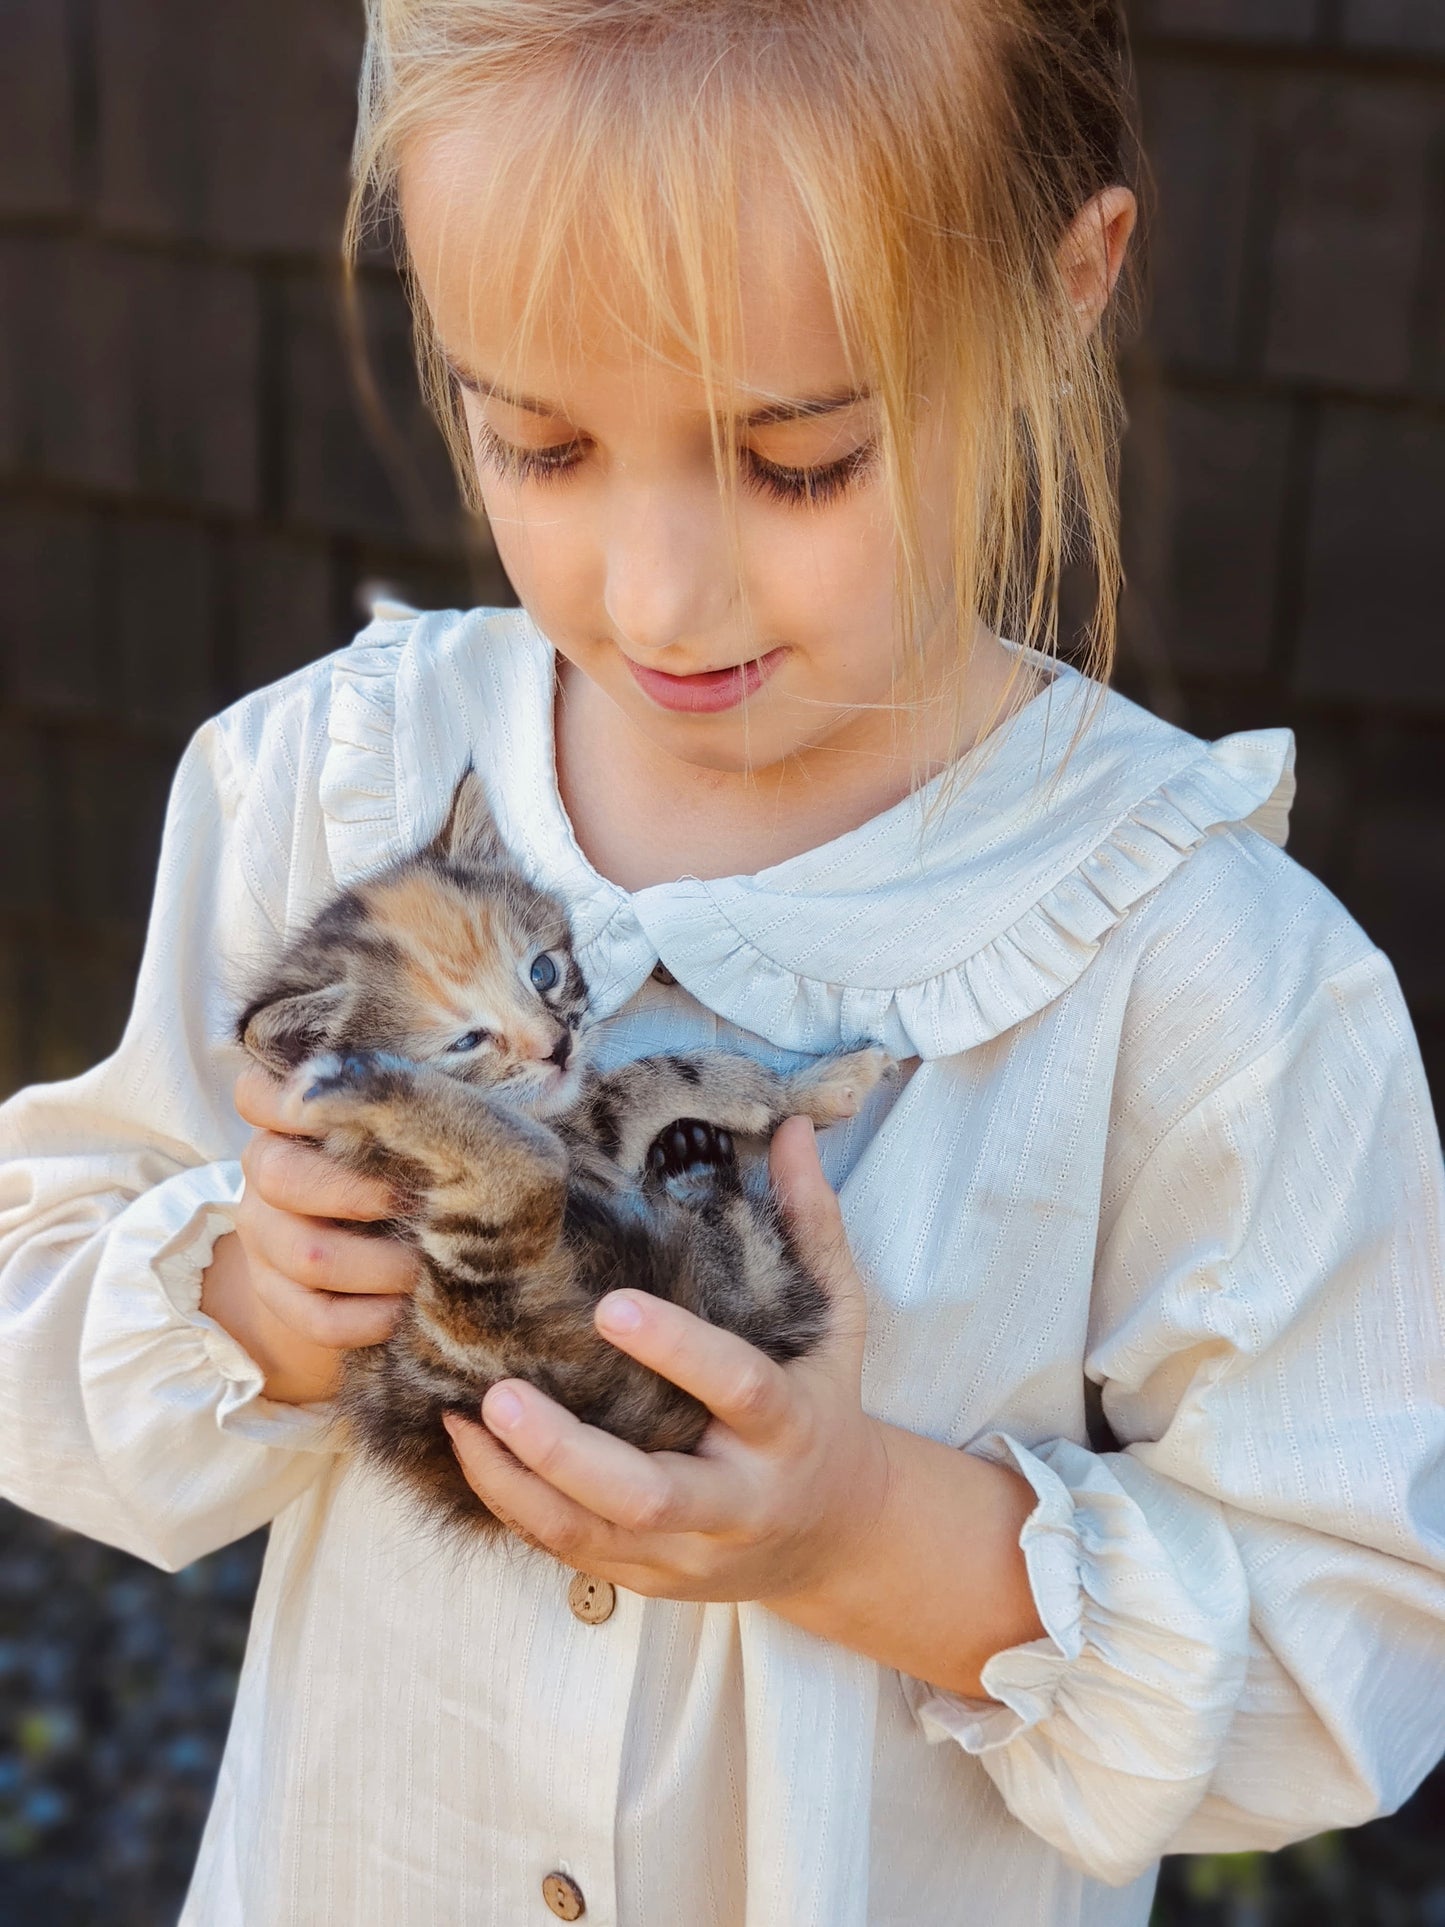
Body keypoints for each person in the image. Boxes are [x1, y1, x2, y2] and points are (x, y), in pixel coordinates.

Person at [3, 2, 1444, 1921]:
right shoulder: (323, 788)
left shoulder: (1203, 981)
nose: (659, 595)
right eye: (540, 440)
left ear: (1064, 282)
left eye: (799, 460)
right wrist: (261, 1301)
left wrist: (861, 1531)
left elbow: (1345, 1657)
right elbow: (43, 1286)